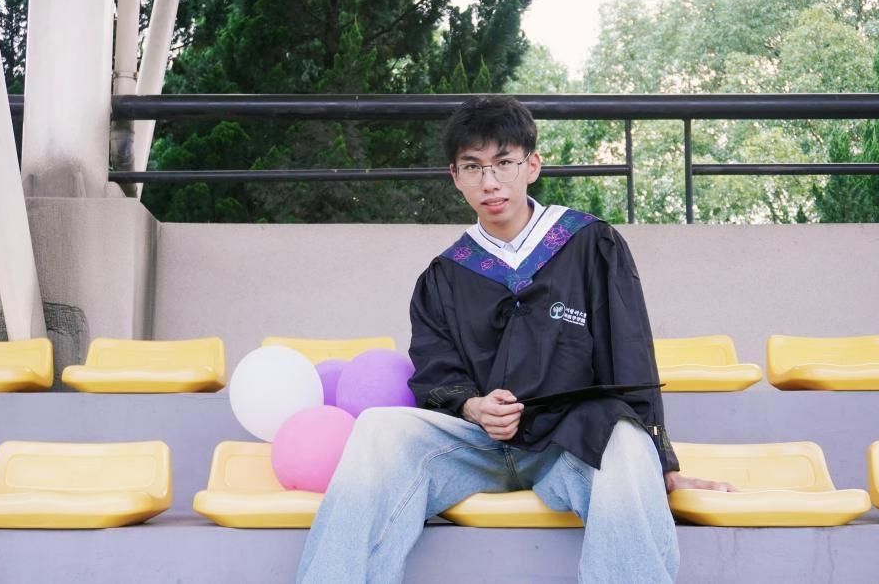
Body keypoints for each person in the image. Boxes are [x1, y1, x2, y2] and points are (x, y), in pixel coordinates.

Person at [297, 96, 733, 584]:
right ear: (455, 176)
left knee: (626, 438)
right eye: (473, 167)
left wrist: (660, 462)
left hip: (566, 443)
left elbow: (629, 352)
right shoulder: (444, 275)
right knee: (379, 429)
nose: (490, 182)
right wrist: (474, 407)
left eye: (504, 162)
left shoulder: (589, 243)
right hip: (474, 445)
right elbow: (437, 372)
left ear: (532, 165)